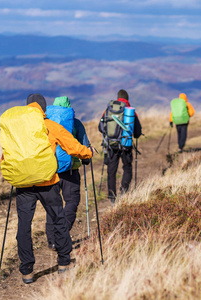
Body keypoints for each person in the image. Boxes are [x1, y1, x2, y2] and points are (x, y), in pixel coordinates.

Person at [10, 94, 92, 284]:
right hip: (47, 182)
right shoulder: (50, 126)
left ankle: (27, 271)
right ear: (44, 109)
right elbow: (72, 146)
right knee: (58, 219)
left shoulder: (18, 128)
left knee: (24, 225)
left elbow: (9, 153)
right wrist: (88, 153)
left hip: (23, 183)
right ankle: (63, 262)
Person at [45, 96, 91, 251]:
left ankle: (52, 240)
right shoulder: (75, 123)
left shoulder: (45, 123)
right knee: (71, 202)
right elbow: (83, 145)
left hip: (50, 170)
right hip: (70, 170)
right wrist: (86, 158)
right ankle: (61, 236)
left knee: (52, 205)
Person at [102, 89, 142, 204]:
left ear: (117, 97)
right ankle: (124, 191)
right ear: (127, 99)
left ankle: (112, 197)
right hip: (126, 145)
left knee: (111, 170)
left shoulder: (109, 109)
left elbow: (101, 127)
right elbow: (138, 132)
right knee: (127, 168)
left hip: (111, 145)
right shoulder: (131, 112)